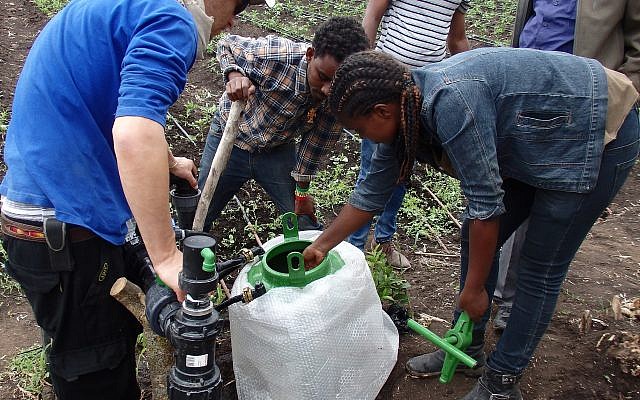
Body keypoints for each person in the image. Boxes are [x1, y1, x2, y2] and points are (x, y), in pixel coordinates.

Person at [303, 49, 639, 399]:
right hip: (540, 130)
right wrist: (321, 245)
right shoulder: (402, 110)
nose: (364, 138)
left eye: (359, 129)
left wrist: (475, 290)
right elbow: (370, 195)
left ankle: (502, 383)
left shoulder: (451, 103)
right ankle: (469, 351)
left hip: (595, 127)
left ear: (381, 111)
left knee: (539, 267)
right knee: (475, 240)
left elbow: (485, 206)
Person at [0, 0, 267, 398]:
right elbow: (132, 131)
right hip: (65, 225)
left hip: (45, 212)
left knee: (84, 351)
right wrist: (165, 256)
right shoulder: (171, 17)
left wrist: (169, 161)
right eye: (239, 7)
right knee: (97, 377)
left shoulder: (128, 6)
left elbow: (113, 105)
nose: (230, 24)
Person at [493, 0, 640, 332]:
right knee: (503, 207)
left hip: (582, 110)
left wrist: (617, 98)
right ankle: (493, 298)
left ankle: (514, 306)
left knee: (545, 220)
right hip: (527, 103)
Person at [197, 16, 369, 232]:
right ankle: (188, 259)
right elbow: (227, 44)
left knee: (302, 220)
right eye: (322, 77)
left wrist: (302, 193)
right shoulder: (275, 55)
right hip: (232, 138)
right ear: (310, 55)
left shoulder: (339, 97)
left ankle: (307, 259)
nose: (327, 89)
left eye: (337, 83)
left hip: (276, 149)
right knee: (199, 213)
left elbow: (315, 146)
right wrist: (234, 75)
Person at [350, 0, 470, 268]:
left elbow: (457, 38)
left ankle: (383, 240)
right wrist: (362, 70)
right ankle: (355, 249)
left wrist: (469, 76)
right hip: (384, 84)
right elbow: (372, 15)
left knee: (403, 171)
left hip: (423, 92)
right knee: (372, 169)